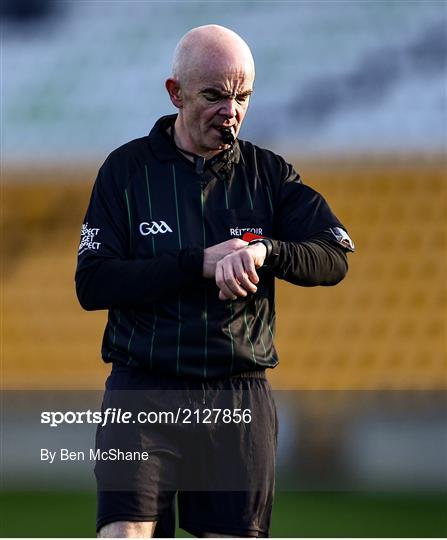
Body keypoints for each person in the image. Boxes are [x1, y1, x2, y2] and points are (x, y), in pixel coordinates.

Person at [75, 24, 354, 538]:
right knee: (124, 534)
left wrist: (265, 250)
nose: (231, 112)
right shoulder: (126, 171)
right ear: (175, 92)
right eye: (214, 96)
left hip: (236, 395)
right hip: (144, 389)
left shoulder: (269, 176)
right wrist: (196, 263)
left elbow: (334, 254)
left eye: (242, 96)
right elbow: (92, 283)